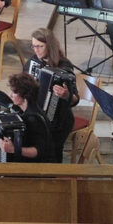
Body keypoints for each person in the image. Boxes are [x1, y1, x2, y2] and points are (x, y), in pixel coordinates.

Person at [25, 28, 78, 162]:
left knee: (49, 148)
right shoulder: (33, 62)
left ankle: (53, 173)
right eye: (33, 46)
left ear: (49, 46)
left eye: (40, 46)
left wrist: (66, 95)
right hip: (38, 114)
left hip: (59, 119)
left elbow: (75, 99)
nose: (36, 50)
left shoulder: (65, 66)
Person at [0, 72, 53, 162]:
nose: (10, 95)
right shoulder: (22, 110)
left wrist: (13, 149)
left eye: (14, 92)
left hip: (39, 168)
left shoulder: (35, 119)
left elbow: (38, 151)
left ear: (25, 95)